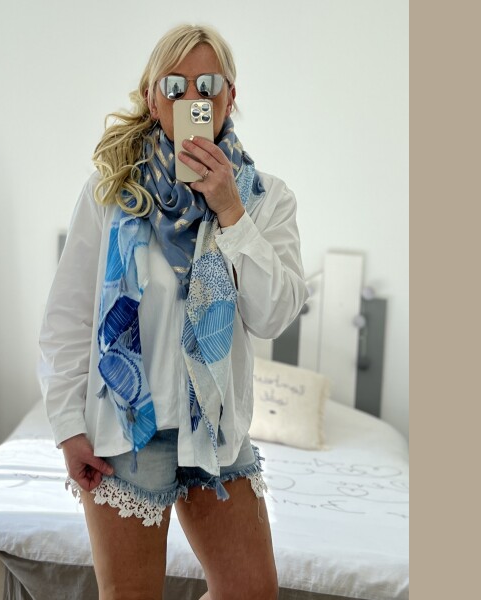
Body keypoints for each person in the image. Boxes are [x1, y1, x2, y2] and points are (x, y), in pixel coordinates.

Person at [39, 23, 308, 600]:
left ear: (230, 97)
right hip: (126, 429)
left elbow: (273, 316)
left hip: (217, 429)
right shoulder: (110, 192)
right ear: (152, 98)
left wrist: (230, 210)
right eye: (175, 86)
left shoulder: (267, 199)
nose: (193, 98)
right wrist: (68, 427)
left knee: (252, 593)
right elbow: (68, 318)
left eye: (208, 86)